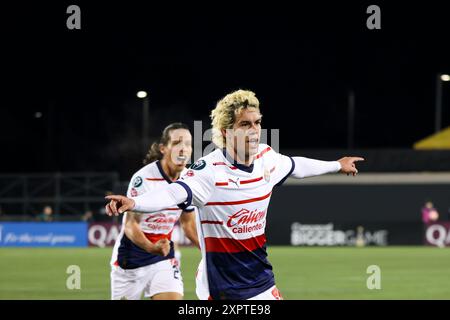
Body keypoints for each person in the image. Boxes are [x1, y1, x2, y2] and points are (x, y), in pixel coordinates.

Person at [105, 90, 364, 300]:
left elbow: (297, 166)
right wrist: (135, 202)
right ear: (227, 132)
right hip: (221, 288)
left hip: (261, 280)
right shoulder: (208, 170)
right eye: (244, 124)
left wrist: (336, 164)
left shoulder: (266, 158)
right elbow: (174, 193)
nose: (254, 129)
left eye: (257, 122)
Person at [110, 122, 199, 300]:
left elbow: (188, 224)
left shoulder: (190, 179)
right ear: (163, 148)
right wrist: (151, 247)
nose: (183, 149)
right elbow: (130, 225)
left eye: (188, 144)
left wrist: (213, 253)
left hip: (164, 257)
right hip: (131, 260)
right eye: (176, 143)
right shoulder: (143, 179)